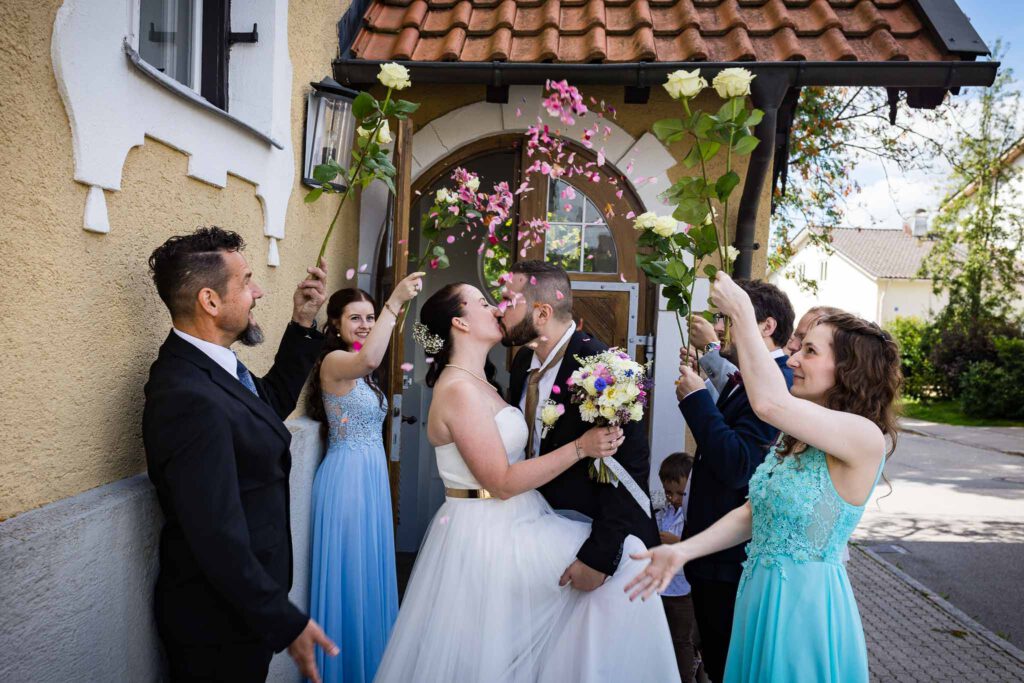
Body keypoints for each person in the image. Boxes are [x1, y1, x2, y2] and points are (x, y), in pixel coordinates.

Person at [374, 282, 679, 682]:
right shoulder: (458, 390)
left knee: (624, 565)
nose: (496, 308)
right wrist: (581, 447)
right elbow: (499, 481)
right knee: (629, 564)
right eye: (483, 303)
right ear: (460, 322)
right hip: (489, 531)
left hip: (523, 517)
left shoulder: (493, 378)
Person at [628, 271, 902, 683]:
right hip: (759, 596)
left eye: (809, 351)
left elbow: (769, 403)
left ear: (848, 368)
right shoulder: (798, 440)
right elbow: (753, 514)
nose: (793, 360)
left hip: (805, 605)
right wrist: (683, 551)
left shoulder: (864, 436)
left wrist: (739, 308)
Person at [143, 227, 337, 683]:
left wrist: (302, 322)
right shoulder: (185, 393)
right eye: (247, 281)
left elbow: (264, 405)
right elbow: (215, 532)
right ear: (210, 301)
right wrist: (285, 620)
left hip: (240, 610)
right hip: (216, 623)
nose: (259, 291)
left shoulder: (210, 364)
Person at [673, 279, 794, 683]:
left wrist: (695, 399)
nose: (720, 329)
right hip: (714, 551)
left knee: (726, 663)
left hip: (730, 557)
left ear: (766, 326)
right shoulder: (756, 375)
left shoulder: (780, 381)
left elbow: (738, 463)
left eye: (727, 318)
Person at [305, 275, 424, 683]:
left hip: (371, 477)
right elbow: (370, 359)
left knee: (370, 576)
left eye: (371, 317)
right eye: (356, 318)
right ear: (335, 323)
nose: (365, 325)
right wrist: (394, 304)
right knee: (350, 580)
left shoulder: (360, 366)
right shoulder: (336, 361)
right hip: (348, 482)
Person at [657, 452, 698, 683]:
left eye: (679, 493)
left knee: (683, 640)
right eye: (668, 493)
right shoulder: (663, 514)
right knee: (663, 636)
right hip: (662, 587)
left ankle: (685, 678)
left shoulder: (691, 516)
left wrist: (678, 544)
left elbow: (699, 547)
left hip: (683, 589)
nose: (673, 498)